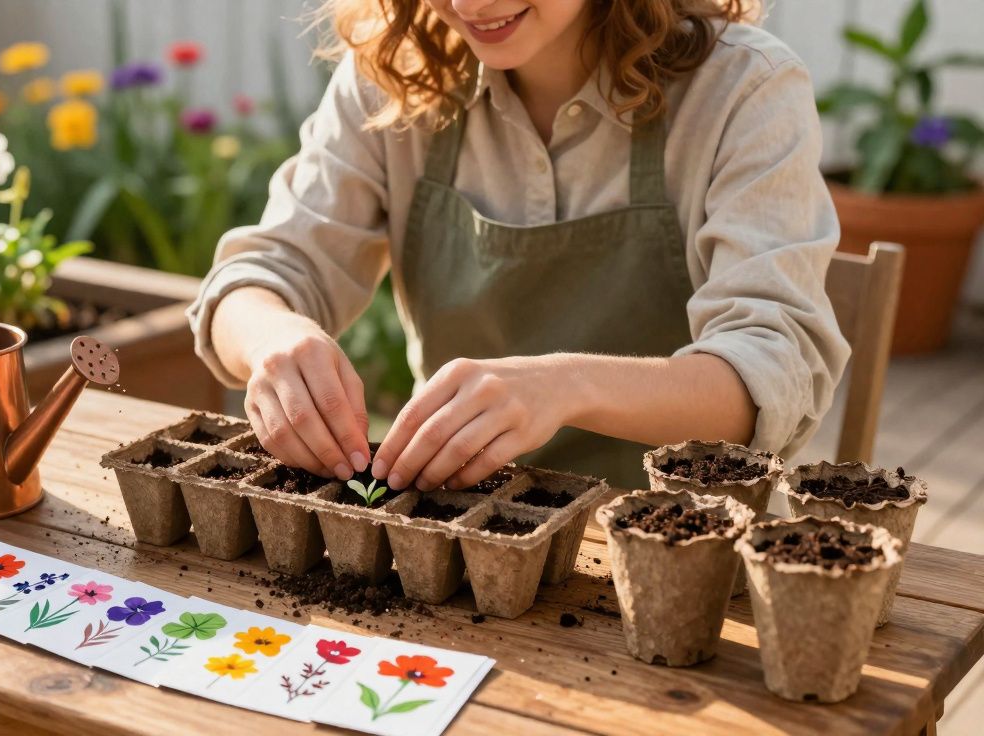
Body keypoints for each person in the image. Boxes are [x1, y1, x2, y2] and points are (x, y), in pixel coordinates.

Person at [186, 0, 849, 492]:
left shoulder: (742, 89)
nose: (472, 4)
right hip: (453, 544)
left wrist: (565, 386)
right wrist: (273, 338)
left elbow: (771, 371)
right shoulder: (394, 76)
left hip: (676, 555)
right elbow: (258, 276)